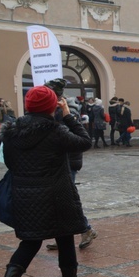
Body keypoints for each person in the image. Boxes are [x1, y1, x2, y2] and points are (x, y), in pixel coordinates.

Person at [0, 86, 93, 277]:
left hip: (25, 195)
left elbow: (9, 163)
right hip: (57, 194)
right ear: (52, 106)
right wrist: (67, 115)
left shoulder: (11, 133)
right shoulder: (55, 130)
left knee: (30, 242)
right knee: (65, 237)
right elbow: (84, 142)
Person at [45, 96, 98, 251]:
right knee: (59, 201)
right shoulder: (56, 112)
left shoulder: (68, 112)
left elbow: (77, 139)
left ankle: (86, 230)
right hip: (59, 162)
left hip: (68, 162)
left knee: (67, 201)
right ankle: (62, 235)